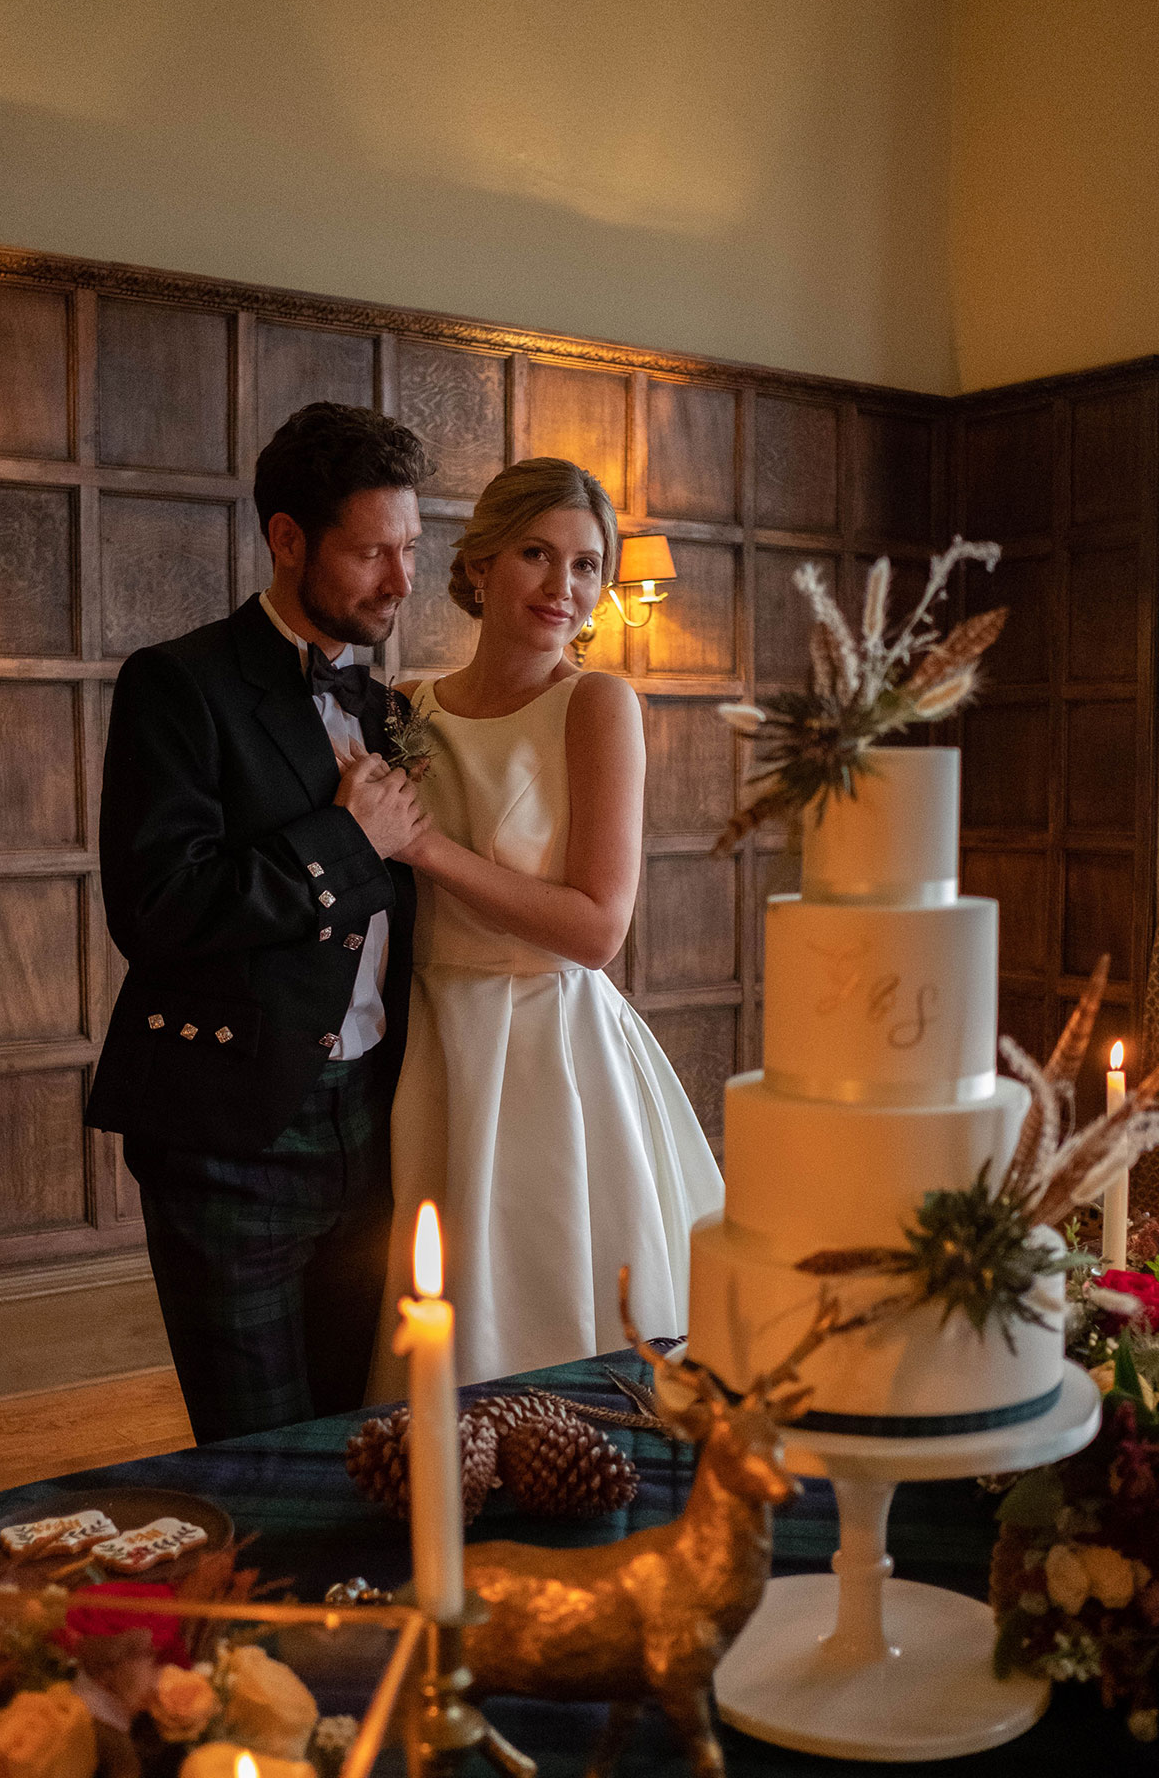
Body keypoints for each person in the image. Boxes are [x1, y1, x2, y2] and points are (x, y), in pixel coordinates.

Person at [86, 402, 432, 1442]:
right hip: (230, 1129)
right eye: (372, 551)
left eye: (411, 548)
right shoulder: (178, 685)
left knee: (356, 1429)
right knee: (257, 1448)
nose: (401, 581)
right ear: (288, 539)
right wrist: (343, 839)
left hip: (376, 1122)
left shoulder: (389, 710)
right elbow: (159, 906)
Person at [366, 458, 725, 1400]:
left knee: (558, 1312)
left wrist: (429, 849)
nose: (562, 588)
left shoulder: (598, 705)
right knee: (440, 1324)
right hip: (435, 1047)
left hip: (555, 1055)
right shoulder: (408, 710)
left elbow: (599, 929)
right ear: (480, 563)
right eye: (536, 554)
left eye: (585, 566)